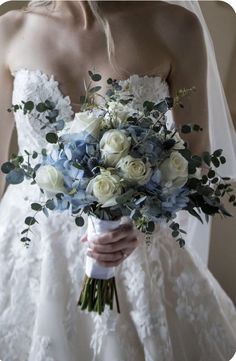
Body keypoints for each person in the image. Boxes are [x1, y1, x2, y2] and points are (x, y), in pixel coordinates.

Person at [0, 1, 235, 360]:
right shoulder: (10, 30)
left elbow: (197, 156)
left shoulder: (175, 25)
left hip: (138, 240)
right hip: (29, 246)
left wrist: (143, 223)